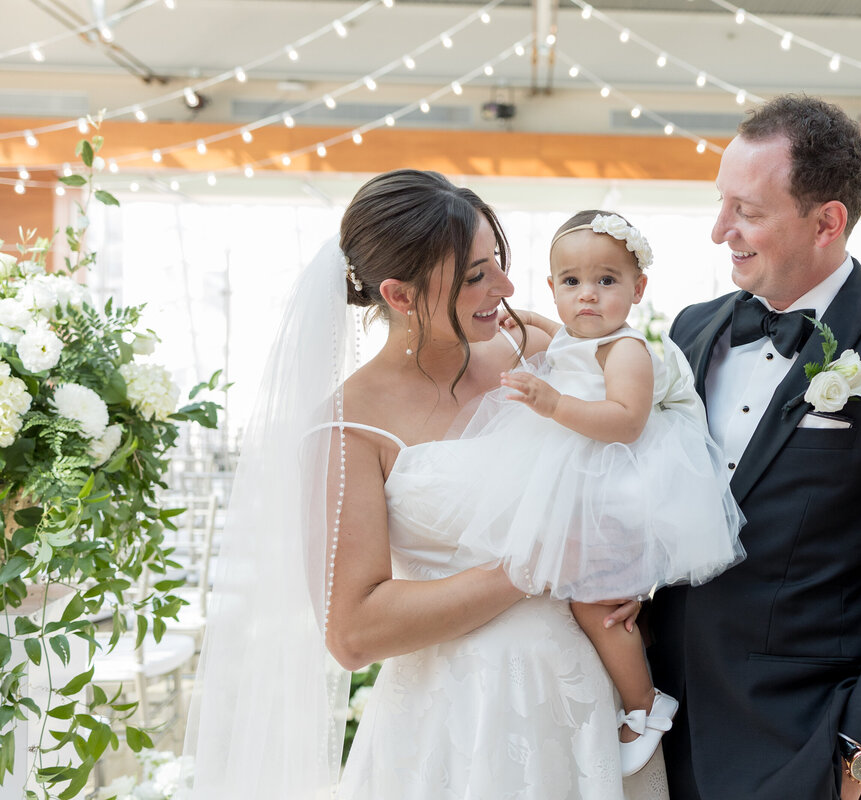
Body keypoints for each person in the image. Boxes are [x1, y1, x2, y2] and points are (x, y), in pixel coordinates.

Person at [182, 170, 669, 799]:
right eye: (474, 276)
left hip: (590, 702)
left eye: (497, 261)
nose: (506, 287)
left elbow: (628, 457)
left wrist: (634, 569)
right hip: (462, 724)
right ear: (400, 295)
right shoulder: (345, 426)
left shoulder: (535, 344)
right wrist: (532, 566)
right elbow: (353, 632)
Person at [646, 94, 861, 800]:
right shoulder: (692, 330)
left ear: (828, 221)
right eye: (720, 203)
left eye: (748, 212)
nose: (718, 231)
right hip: (659, 730)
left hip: (801, 748)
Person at [421, 209, 744, 776]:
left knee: (596, 606)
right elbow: (544, 328)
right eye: (571, 283)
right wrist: (503, 315)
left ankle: (645, 706)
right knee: (573, 590)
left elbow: (625, 421)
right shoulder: (573, 336)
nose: (587, 296)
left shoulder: (627, 351)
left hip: (624, 489)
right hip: (593, 483)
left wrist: (551, 403)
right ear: (553, 288)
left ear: (638, 288)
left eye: (607, 281)